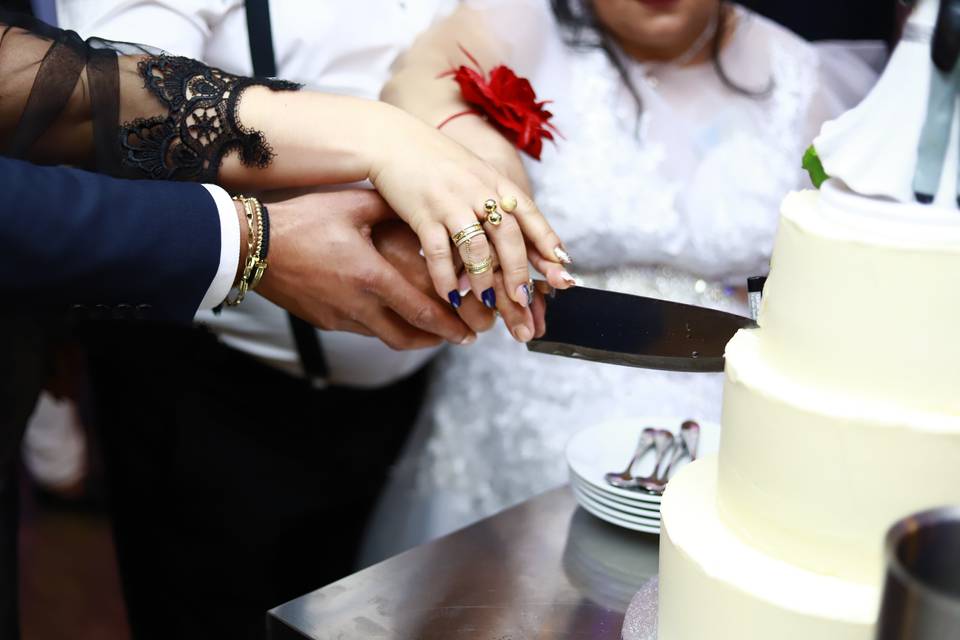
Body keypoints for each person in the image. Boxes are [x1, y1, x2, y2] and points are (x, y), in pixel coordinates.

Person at [0, 7, 569, 637]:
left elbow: (446, 57)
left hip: (414, 411)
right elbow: (98, 119)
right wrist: (279, 224)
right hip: (216, 400)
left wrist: (471, 163)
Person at [359, 0, 881, 564]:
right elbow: (418, 85)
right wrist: (481, 161)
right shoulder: (519, 24)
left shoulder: (807, 77)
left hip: (717, 443)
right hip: (518, 420)